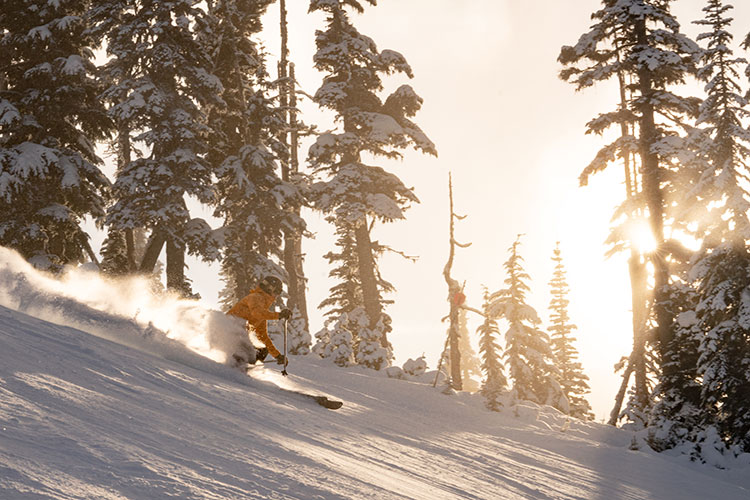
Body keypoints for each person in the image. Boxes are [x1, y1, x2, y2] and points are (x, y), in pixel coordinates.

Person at [227, 276, 292, 366]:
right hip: (230, 330)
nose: (276, 296)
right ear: (269, 288)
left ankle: (241, 369)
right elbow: (257, 313)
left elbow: (263, 337)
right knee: (247, 348)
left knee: (262, 350)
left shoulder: (263, 309)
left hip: (239, 335)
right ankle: (234, 368)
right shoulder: (255, 297)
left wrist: (277, 356)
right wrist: (279, 315)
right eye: (277, 291)